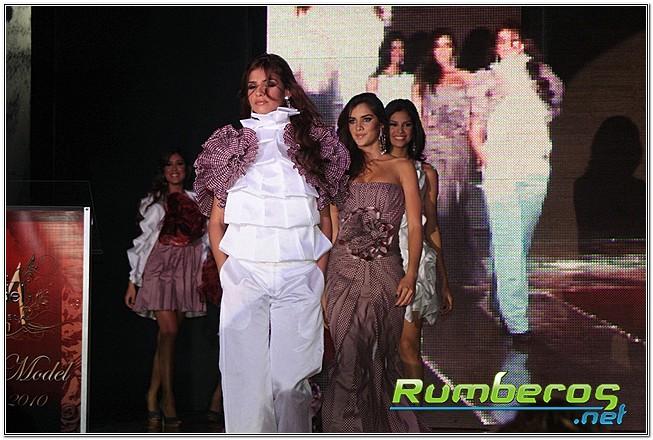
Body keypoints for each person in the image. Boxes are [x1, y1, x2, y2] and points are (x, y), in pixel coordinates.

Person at [193, 53, 350, 433]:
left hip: (299, 275)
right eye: (252, 86)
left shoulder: (313, 143)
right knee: (244, 378)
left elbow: (327, 219)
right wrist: (228, 271)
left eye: (270, 84)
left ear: (287, 90)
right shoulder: (230, 145)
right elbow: (216, 221)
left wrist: (317, 272)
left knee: (290, 383)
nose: (260, 93)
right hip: (245, 274)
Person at [322, 92, 423, 432]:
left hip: (385, 275)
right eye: (352, 121)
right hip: (342, 275)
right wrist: (323, 283)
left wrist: (411, 275)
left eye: (365, 120)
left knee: (379, 359)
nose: (358, 127)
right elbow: (333, 231)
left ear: (380, 124)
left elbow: (415, 226)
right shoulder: (340, 171)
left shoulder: (402, 167)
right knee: (348, 359)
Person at [468, 22, 563, 345]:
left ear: (522, 44)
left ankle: (501, 301)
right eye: (502, 41)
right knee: (509, 244)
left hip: (534, 167)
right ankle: (518, 322)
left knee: (518, 244)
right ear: (496, 47)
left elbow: (550, 115)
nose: (508, 45)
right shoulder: (487, 79)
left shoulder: (542, 77)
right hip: (502, 170)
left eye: (513, 40)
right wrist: (487, 158)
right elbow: (475, 129)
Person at [124, 151, 208, 428]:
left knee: (167, 337)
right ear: (162, 170)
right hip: (160, 268)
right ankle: (168, 400)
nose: (174, 169)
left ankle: (152, 395)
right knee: (169, 332)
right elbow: (143, 243)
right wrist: (133, 281)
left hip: (187, 268)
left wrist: (206, 273)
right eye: (169, 165)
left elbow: (206, 238)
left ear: (186, 169)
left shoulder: (196, 200)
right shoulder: (155, 203)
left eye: (179, 164)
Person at [384, 99, 453, 382]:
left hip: (414, 262)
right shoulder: (371, 168)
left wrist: (442, 279)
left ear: (415, 129)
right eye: (393, 125)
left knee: (408, 346)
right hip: (379, 261)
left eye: (407, 125)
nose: (400, 131)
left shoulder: (426, 173)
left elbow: (431, 226)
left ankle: (415, 408)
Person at [415, 29, 484, 287]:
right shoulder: (424, 81)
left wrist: (478, 146)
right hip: (434, 149)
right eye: (438, 46)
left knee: (458, 206)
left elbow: (477, 115)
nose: (443, 51)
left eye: (447, 46)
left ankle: (462, 267)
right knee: (438, 206)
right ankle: (438, 267)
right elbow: (419, 119)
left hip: (459, 149)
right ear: (432, 51)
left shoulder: (467, 78)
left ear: (453, 49)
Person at [366, 32, 415, 107]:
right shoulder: (375, 80)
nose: (398, 52)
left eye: (401, 48)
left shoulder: (410, 78)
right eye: (394, 48)